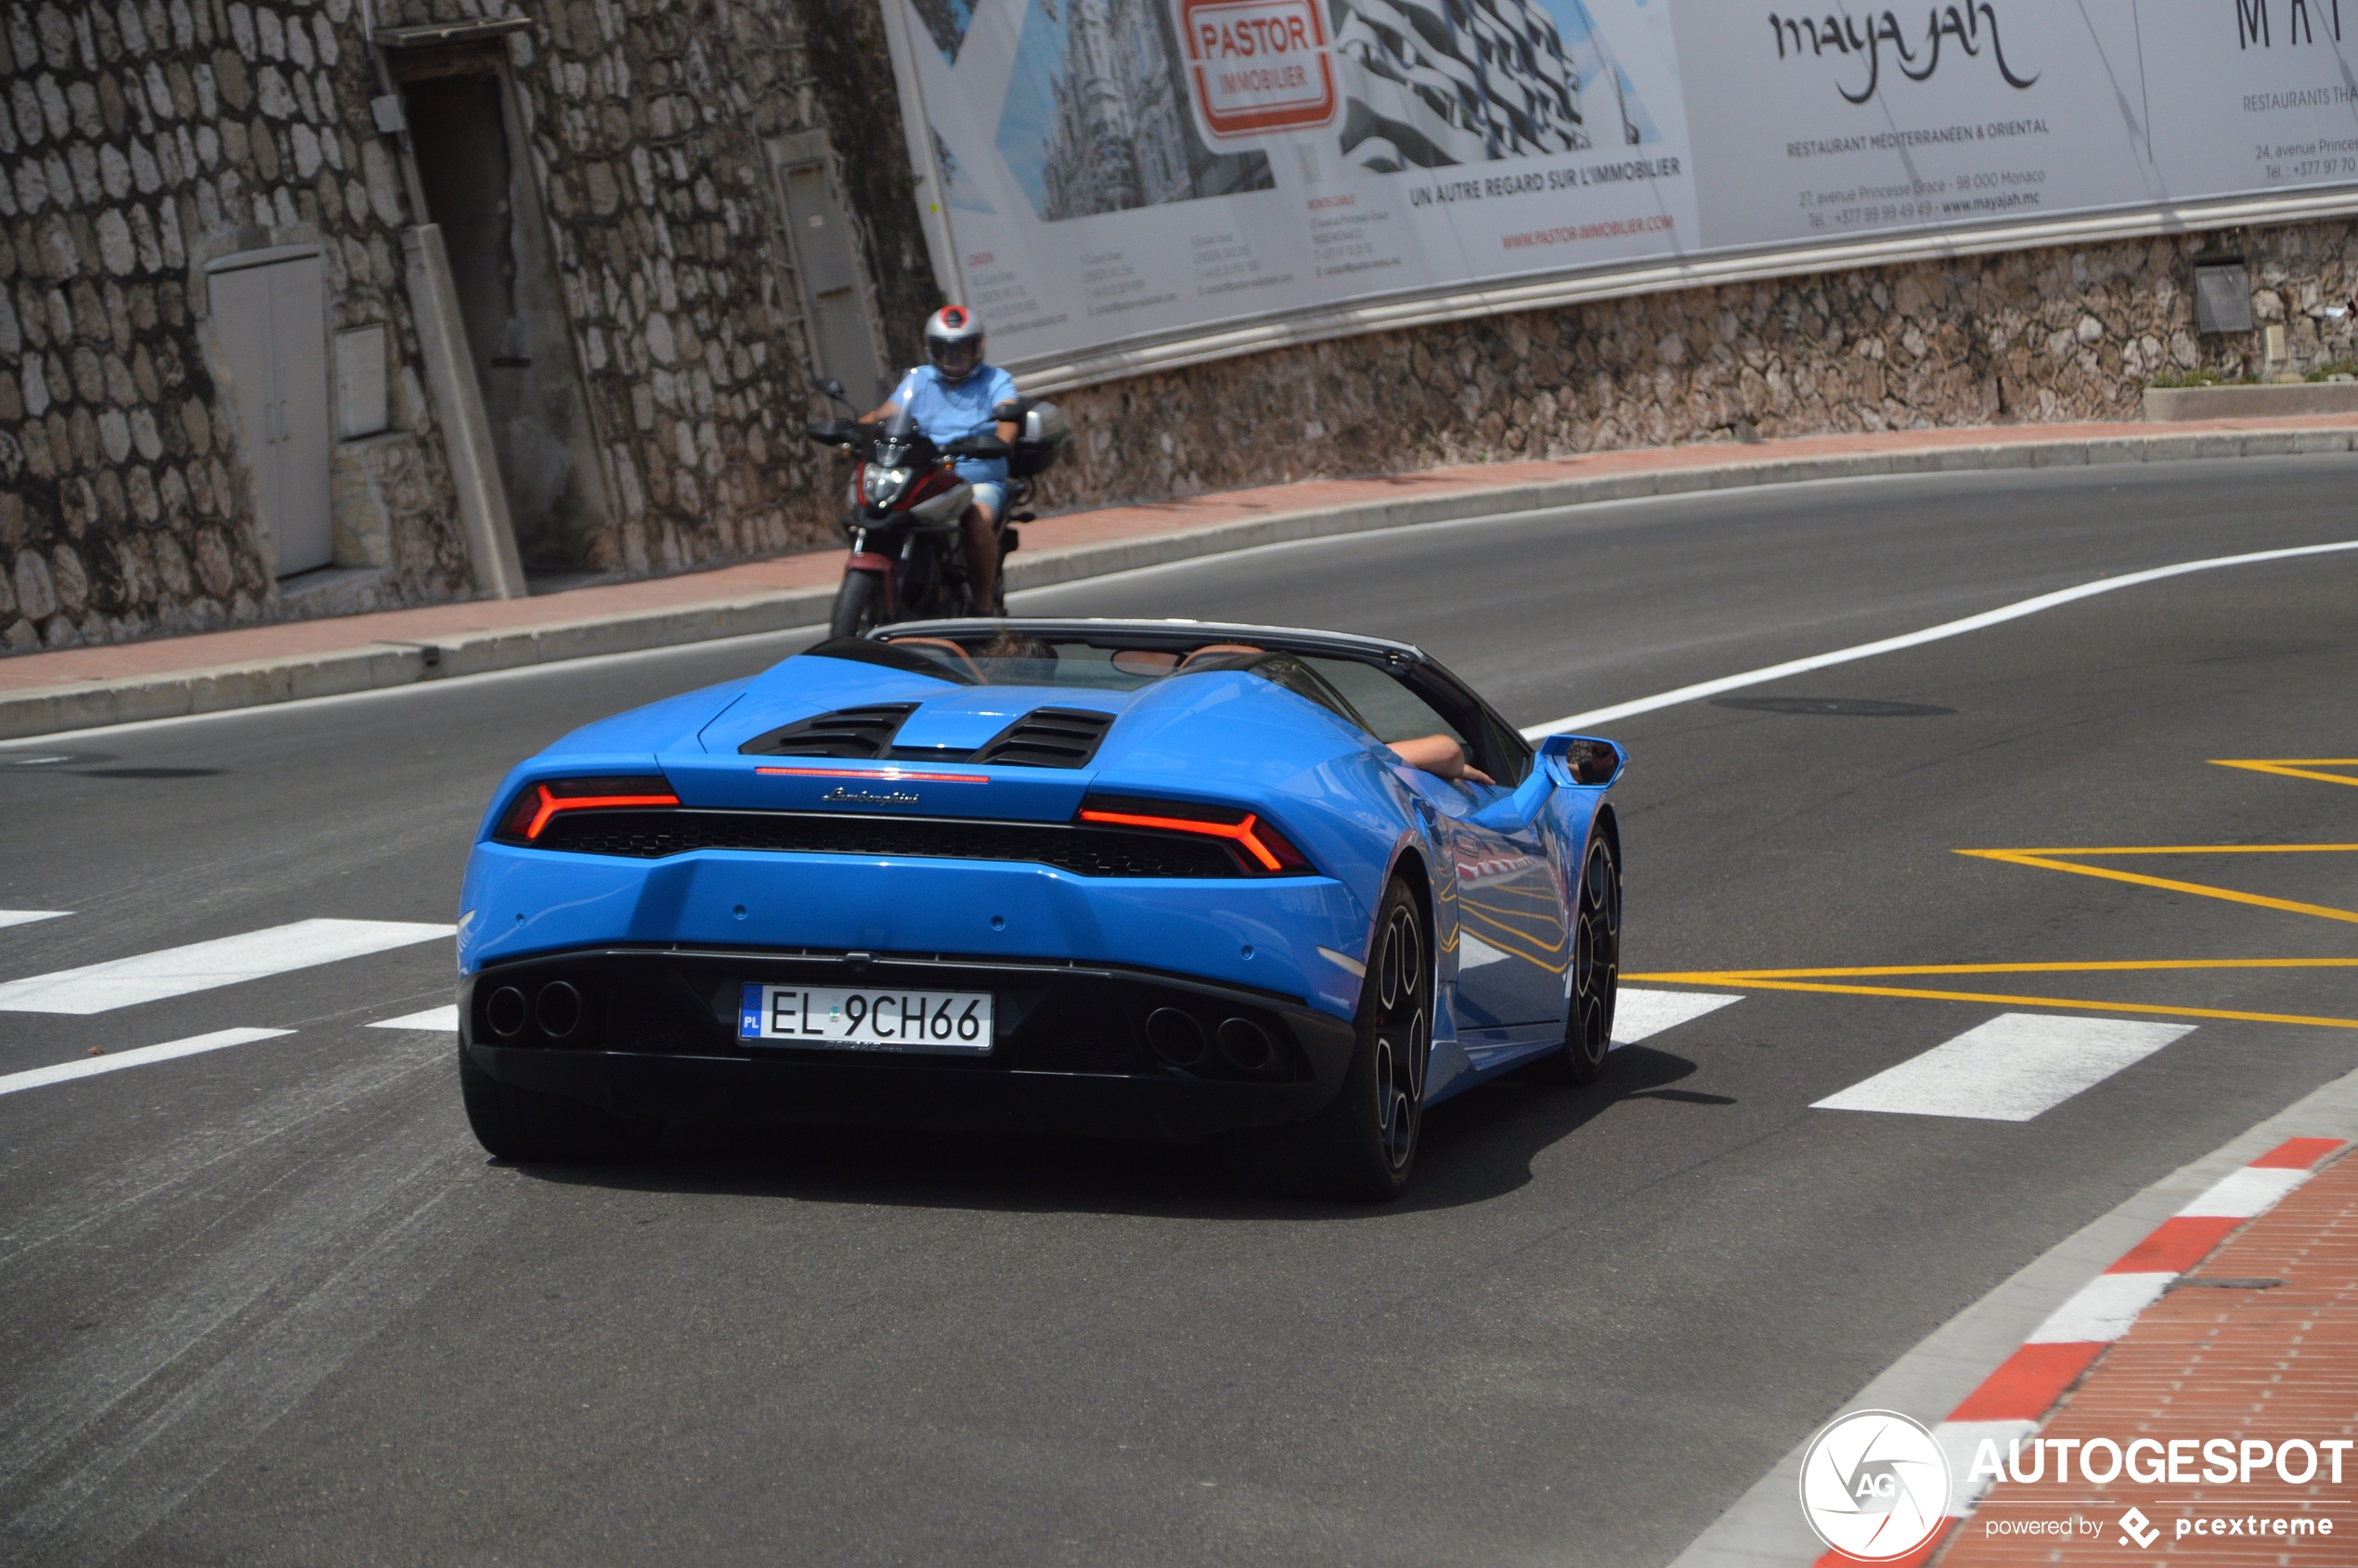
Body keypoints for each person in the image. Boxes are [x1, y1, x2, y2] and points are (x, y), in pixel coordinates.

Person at [862, 306, 1021, 613]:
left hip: (977, 478)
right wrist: (853, 429)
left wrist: (1000, 442)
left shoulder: (995, 380)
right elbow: (885, 415)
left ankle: (984, 603)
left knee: (976, 519)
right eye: (945, 349)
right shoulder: (919, 381)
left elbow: (1008, 417)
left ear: (977, 347)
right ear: (932, 350)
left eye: (963, 348)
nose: (954, 356)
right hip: (929, 476)